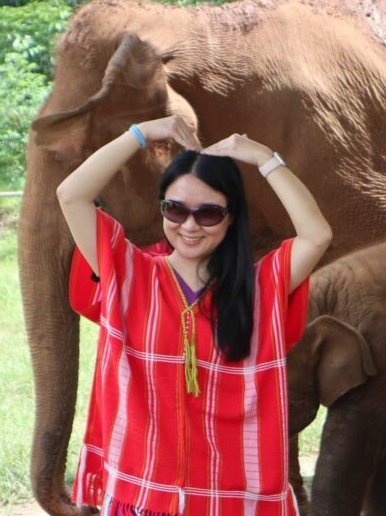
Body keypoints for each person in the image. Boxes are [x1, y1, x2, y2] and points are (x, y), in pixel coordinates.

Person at [57, 115, 332, 516]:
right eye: (175, 210)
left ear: (231, 216)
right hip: (144, 497)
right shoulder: (129, 273)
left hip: (234, 502)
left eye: (208, 214)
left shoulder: (261, 287)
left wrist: (263, 157)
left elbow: (316, 235)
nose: (189, 226)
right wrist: (141, 134)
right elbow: (71, 195)